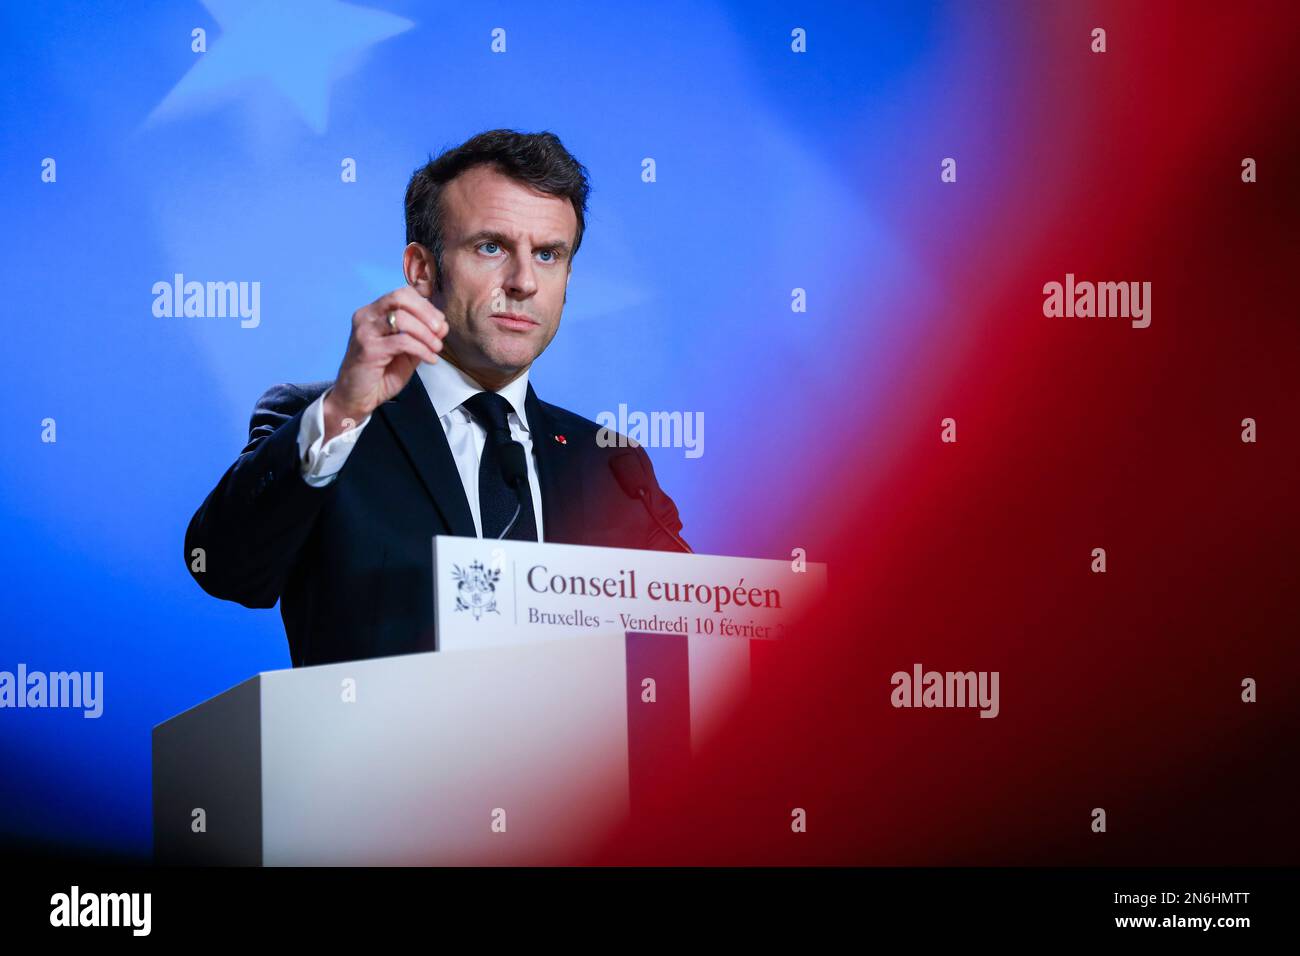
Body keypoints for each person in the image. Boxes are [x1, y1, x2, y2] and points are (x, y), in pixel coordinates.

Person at [184, 129, 688, 667]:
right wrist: (343, 411)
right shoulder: (329, 424)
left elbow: (691, 641)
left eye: (548, 254)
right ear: (421, 270)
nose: (523, 281)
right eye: (491, 247)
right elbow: (223, 568)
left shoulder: (611, 466)